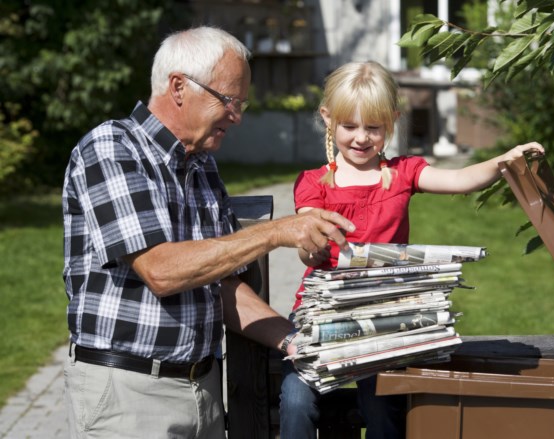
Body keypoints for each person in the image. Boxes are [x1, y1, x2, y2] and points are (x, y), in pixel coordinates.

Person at [61, 26, 355, 439]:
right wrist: (275, 232)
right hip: (129, 397)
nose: (236, 116)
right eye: (229, 100)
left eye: (242, 104)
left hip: (203, 392)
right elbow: (162, 270)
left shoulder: (200, 166)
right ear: (179, 87)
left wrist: (300, 342)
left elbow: (221, 289)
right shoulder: (112, 148)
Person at [278, 60, 544, 439]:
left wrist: (502, 161)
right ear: (328, 119)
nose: (360, 138)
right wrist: (313, 252)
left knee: (382, 402)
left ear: (392, 121)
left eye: (373, 128)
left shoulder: (403, 173)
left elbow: (459, 179)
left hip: (386, 316)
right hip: (325, 315)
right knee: (296, 399)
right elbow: (306, 243)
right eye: (349, 126)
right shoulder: (313, 184)